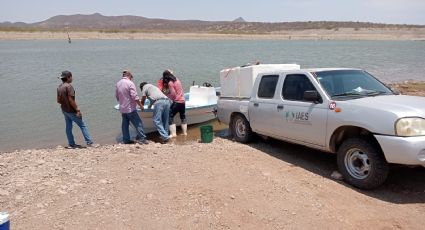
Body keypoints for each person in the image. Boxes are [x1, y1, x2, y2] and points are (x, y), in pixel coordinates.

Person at [56, 70, 95, 148]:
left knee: (68, 127)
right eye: (71, 77)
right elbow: (71, 100)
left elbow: (58, 100)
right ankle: (90, 142)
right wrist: (77, 109)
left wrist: (65, 104)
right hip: (71, 110)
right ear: (68, 77)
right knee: (82, 125)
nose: (72, 78)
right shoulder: (69, 87)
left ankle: (71, 143)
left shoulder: (59, 87)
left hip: (64, 110)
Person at [116, 70, 149, 145]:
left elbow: (117, 96)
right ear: (129, 76)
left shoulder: (118, 83)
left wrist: (122, 103)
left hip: (123, 108)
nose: (132, 78)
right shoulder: (130, 83)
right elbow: (135, 96)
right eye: (131, 77)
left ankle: (126, 140)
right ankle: (143, 139)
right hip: (130, 108)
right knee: (138, 123)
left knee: (125, 125)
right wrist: (141, 106)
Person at [161, 70, 186, 137]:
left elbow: (173, 94)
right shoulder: (177, 80)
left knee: (170, 116)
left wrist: (167, 96)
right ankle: (185, 133)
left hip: (177, 102)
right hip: (183, 101)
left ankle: (173, 134)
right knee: (183, 116)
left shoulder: (170, 83)